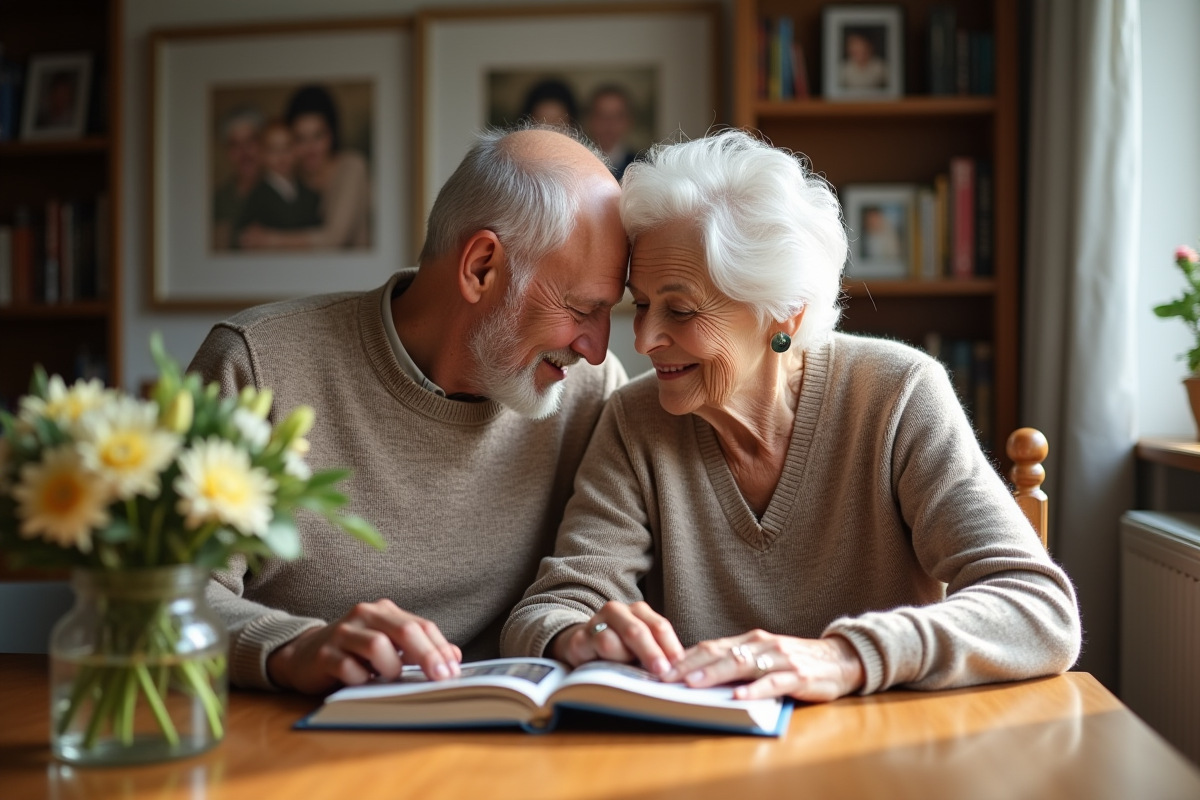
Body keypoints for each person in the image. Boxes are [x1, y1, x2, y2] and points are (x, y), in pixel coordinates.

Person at [502, 131, 1081, 703]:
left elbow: (1039, 608)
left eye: (679, 309)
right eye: (644, 304)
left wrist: (846, 657)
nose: (646, 339)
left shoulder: (895, 395)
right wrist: (579, 637)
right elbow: (549, 609)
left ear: (781, 316)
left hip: (879, 753)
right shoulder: (635, 421)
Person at [189, 125, 629, 694]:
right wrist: (290, 647)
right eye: (581, 308)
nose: (596, 348)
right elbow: (162, 594)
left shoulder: (589, 393)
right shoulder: (255, 367)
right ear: (480, 268)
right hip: (290, 742)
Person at [239, 85, 370, 251]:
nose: (310, 149)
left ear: (331, 135)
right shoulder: (291, 179)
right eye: (300, 139)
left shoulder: (352, 167)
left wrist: (271, 240)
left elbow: (335, 238)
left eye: (318, 136)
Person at [233, 119, 322, 246]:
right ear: (262, 154)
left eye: (286, 148)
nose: (281, 156)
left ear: (295, 150)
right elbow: (242, 237)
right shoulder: (258, 196)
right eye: (273, 150)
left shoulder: (308, 192)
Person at [212, 107, 264, 251]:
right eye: (235, 145)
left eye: (251, 141)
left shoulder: (281, 190)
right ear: (227, 152)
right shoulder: (218, 200)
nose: (244, 152)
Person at [584, 85, 636, 180]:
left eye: (617, 116)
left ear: (629, 120)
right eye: (601, 115)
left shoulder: (640, 166)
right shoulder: (577, 163)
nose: (609, 123)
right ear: (590, 119)